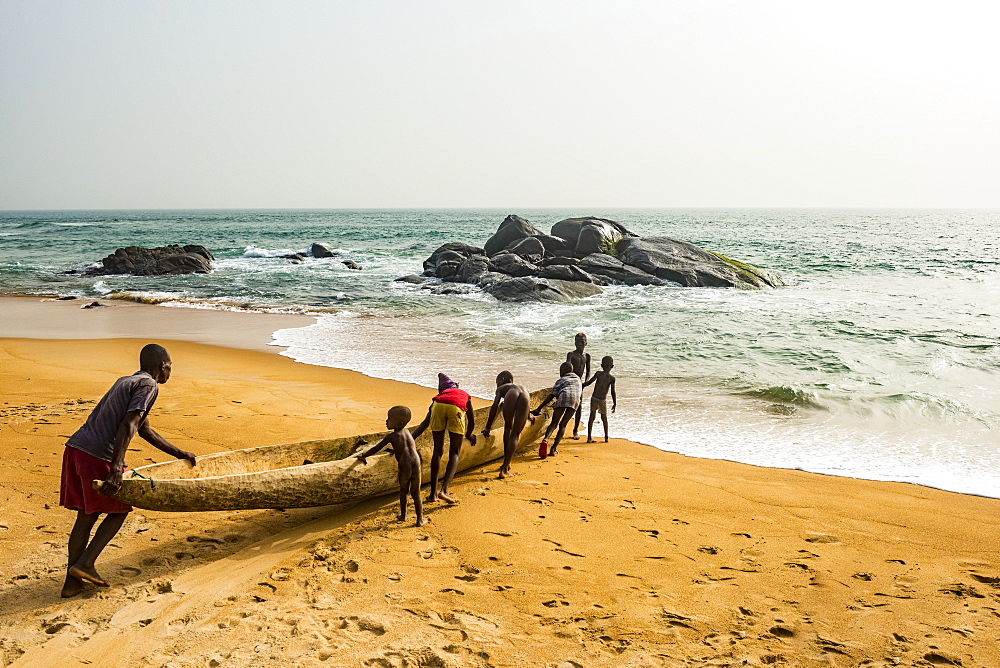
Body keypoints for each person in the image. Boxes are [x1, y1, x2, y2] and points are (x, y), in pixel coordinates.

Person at [59, 343, 197, 598]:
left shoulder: (127, 381)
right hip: (97, 455)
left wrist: (179, 453)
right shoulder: (148, 385)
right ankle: (85, 564)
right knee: (120, 508)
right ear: (163, 366)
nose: (170, 372)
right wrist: (115, 468)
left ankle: (71, 584)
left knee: (85, 517)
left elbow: (144, 429)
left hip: (76, 449)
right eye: (170, 367)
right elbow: (129, 425)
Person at [356, 405, 428, 527]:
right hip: (416, 462)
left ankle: (404, 515)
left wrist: (364, 456)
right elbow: (406, 447)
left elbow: (376, 448)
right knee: (416, 493)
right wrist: (395, 450)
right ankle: (420, 519)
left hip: (405, 464)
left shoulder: (392, 436)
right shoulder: (407, 432)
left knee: (404, 490)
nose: (386, 421)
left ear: (399, 422)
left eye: (390, 419)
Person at [411, 373, 476, 504]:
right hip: (456, 409)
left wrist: (410, 440)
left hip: (438, 408)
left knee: (437, 451)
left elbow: (424, 424)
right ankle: (444, 491)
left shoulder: (438, 398)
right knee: (454, 453)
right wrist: (468, 435)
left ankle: (432, 494)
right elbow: (472, 421)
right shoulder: (464, 395)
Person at [481, 371, 535, 479]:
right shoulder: (519, 387)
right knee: (515, 434)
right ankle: (507, 464)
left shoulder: (502, 389)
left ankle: (504, 468)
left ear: (503, 380)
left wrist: (488, 427)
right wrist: (528, 415)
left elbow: (495, 406)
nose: (497, 385)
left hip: (511, 395)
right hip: (526, 395)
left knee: (508, 427)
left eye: (497, 383)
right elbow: (525, 406)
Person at [530, 362, 582, 458]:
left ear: (562, 371)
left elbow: (551, 395)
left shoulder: (561, 380)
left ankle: (545, 439)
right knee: (563, 425)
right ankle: (553, 449)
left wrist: (539, 408)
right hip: (575, 400)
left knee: (554, 423)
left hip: (563, 396)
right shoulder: (578, 379)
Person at [583, 355, 617, 443]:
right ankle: (606, 437)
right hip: (602, 400)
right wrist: (614, 403)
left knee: (592, 417)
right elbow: (613, 392)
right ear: (612, 367)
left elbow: (589, 382)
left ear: (601, 365)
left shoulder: (599, 374)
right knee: (604, 418)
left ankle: (589, 437)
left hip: (594, 398)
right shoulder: (611, 378)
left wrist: (581, 385)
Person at [565, 333, 591, 439]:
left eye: (582, 341)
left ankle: (575, 430)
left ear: (586, 343)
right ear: (574, 343)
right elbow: (566, 367)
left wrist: (586, 381)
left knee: (579, 407)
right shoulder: (571, 354)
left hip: (580, 384)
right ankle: (562, 426)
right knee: (567, 406)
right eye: (577, 342)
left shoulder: (587, 356)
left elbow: (588, 371)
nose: (579, 344)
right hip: (571, 382)